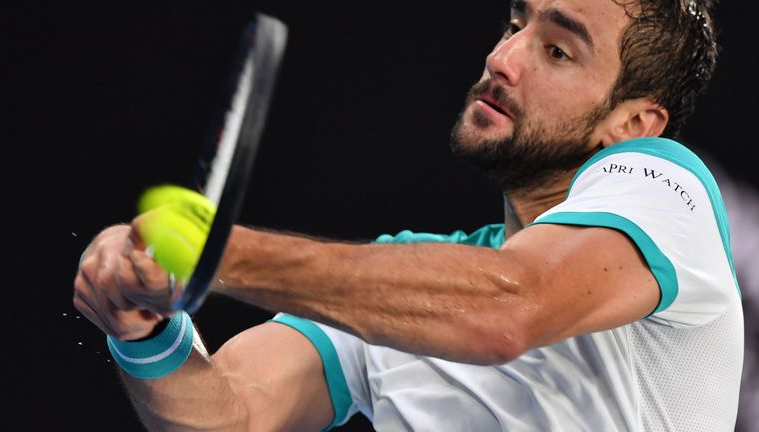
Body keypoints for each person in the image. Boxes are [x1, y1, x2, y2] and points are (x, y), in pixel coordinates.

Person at [73, 0, 743, 430]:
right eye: (515, 26)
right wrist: (145, 330)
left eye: (557, 50)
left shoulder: (664, 189)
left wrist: (219, 253)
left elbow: (507, 308)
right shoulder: (400, 293)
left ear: (633, 124)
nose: (501, 59)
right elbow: (234, 410)